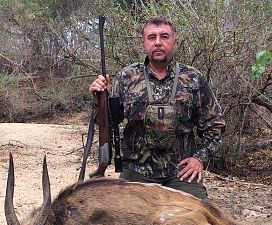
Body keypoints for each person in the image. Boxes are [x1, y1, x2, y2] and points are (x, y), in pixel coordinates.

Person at [88, 16, 225, 203]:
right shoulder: (127, 77)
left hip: (181, 172)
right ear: (144, 43)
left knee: (201, 222)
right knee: (123, 222)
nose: (158, 43)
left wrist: (199, 158)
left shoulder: (193, 78)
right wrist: (99, 100)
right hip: (136, 170)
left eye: (164, 37)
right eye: (152, 37)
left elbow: (215, 125)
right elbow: (107, 123)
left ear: (174, 41)